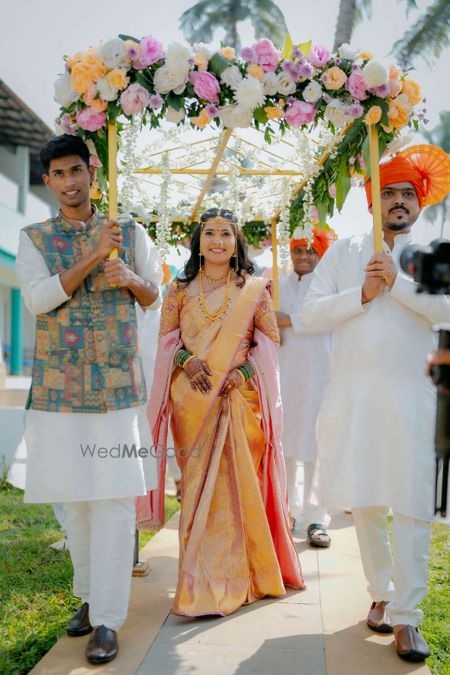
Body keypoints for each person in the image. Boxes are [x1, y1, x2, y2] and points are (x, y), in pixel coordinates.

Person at [15, 134, 162, 664]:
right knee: (72, 503)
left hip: (117, 391)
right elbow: (37, 300)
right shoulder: (34, 238)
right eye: (58, 174)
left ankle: (107, 619)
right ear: (48, 181)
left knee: (113, 501)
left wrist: (130, 276)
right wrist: (94, 255)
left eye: (76, 170)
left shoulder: (131, 232)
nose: (69, 181)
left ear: (91, 171)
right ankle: (88, 597)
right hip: (57, 392)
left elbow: (155, 296)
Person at [302, 144, 450, 663]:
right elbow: (309, 316)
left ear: (421, 201)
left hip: (415, 402)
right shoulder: (344, 252)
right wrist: (361, 294)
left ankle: (408, 617)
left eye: (408, 193)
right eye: (389, 192)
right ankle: (382, 595)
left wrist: (399, 283)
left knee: (412, 505)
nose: (399, 201)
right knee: (365, 502)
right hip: (356, 399)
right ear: (372, 200)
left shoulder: (434, 251)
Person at [136, 208, 304, 617]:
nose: (217, 240)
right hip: (191, 400)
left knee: (240, 487)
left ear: (236, 242)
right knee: (197, 490)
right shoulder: (178, 290)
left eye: (225, 233)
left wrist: (241, 372)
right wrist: (187, 361)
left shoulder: (254, 289)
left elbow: (269, 344)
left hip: (239, 400)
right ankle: (197, 582)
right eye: (209, 233)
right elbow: (166, 343)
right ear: (198, 241)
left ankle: (244, 577)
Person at [276, 228, 334, 547]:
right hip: (285, 372)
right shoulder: (278, 285)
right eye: (298, 250)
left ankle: (316, 518)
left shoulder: (326, 284)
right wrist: (271, 324)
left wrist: (288, 320)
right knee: (284, 443)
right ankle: (286, 511)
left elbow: (325, 317)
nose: (303, 256)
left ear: (319, 254)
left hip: (318, 373)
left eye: (310, 251)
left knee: (315, 445)